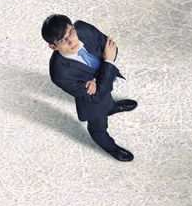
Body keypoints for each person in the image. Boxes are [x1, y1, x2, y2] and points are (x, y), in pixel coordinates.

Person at [41, 14, 138, 161]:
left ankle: (111, 108)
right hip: (92, 103)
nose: (71, 41)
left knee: (107, 94)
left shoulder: (84, 29)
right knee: (98, 127)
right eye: (62, 40)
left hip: (102, 82)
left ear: (74, 28)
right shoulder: (59, 73)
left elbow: (112, 48)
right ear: (53, 46)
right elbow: (96, 95)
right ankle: (110, 147)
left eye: (71, 33)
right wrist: (108, 63)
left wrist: (95, 79)